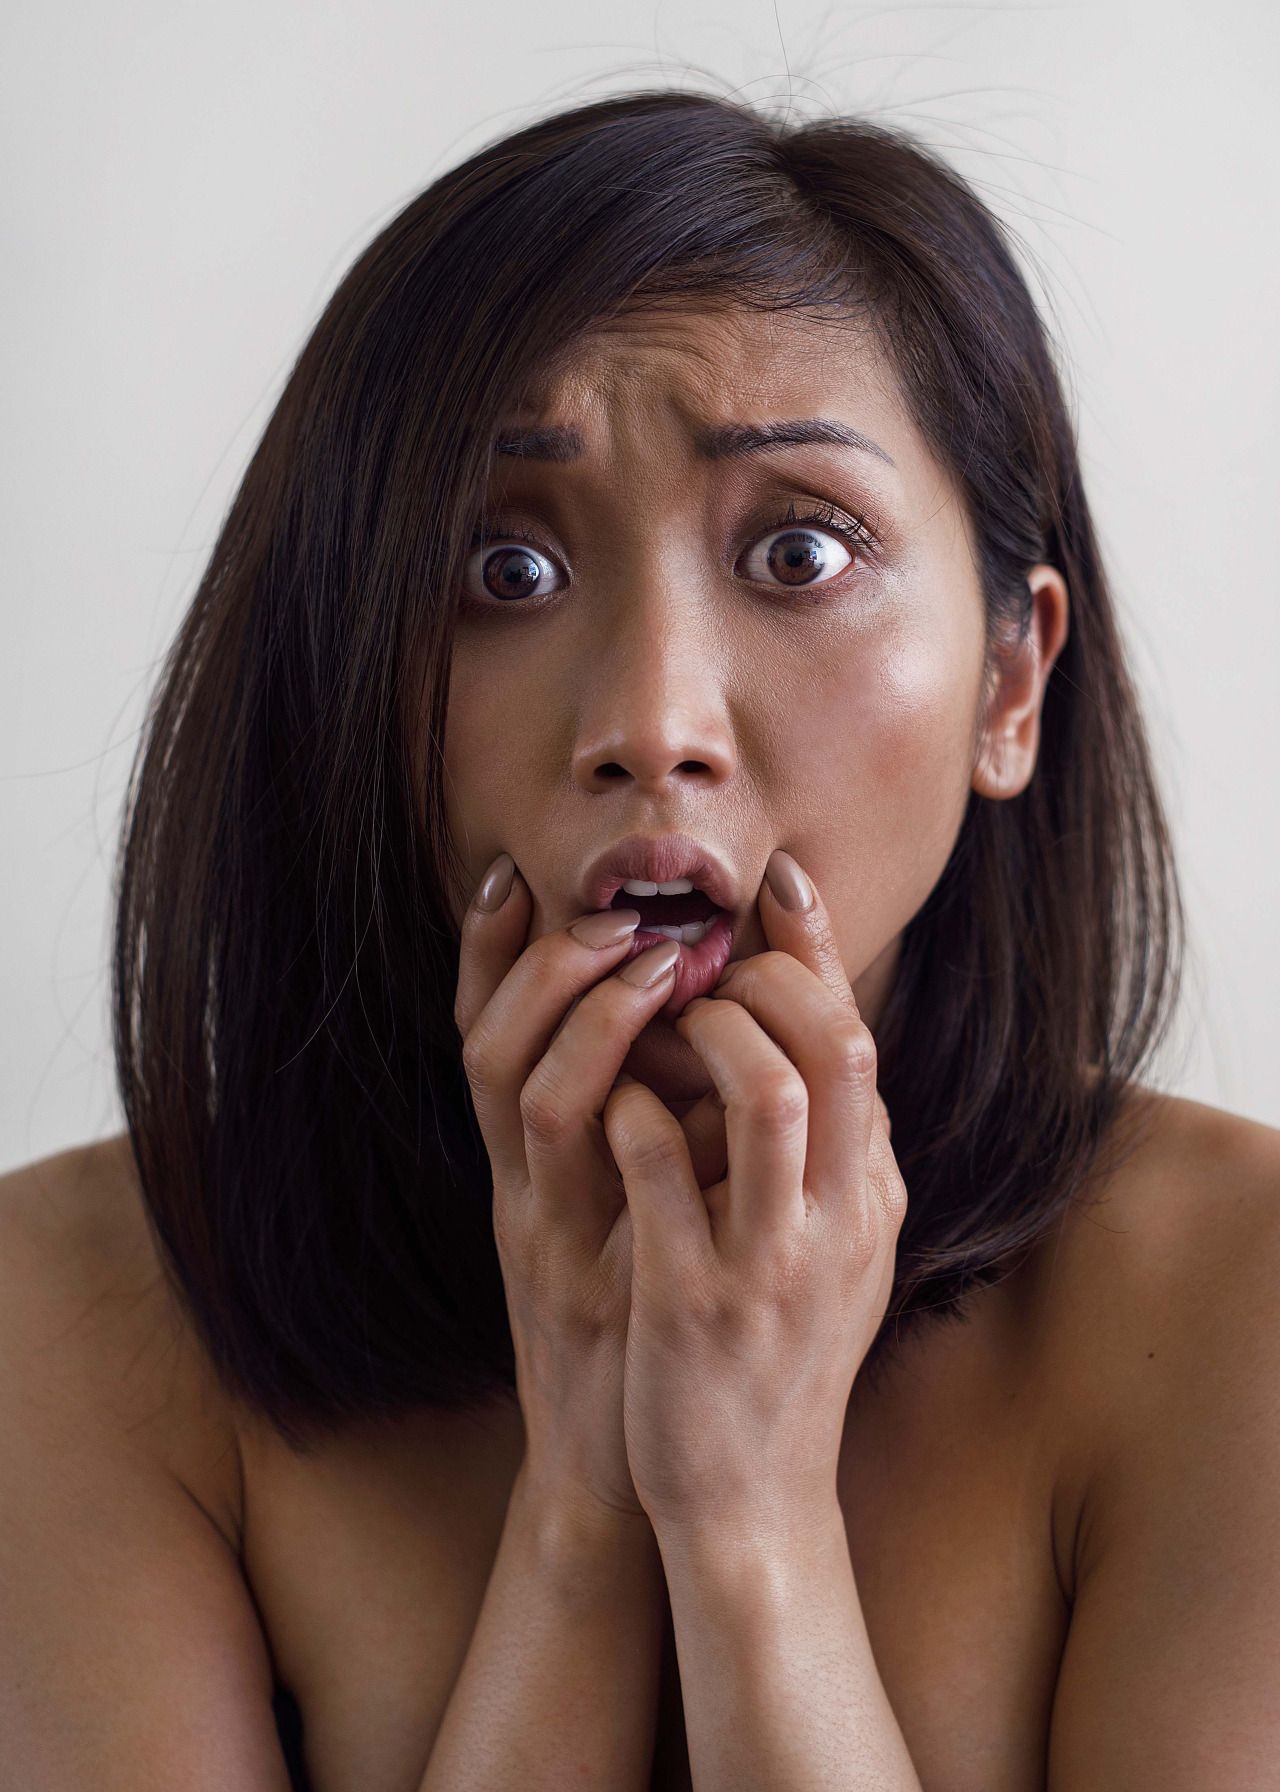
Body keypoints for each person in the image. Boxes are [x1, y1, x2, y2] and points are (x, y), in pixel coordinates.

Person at [3, 85, 1278, 1792]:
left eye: (800, 550)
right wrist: (582, 1524)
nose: (651, 724)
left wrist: (748, 1521)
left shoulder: (1237, 1296)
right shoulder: (65, 1319)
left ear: (1009, 681)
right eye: (504, 569)